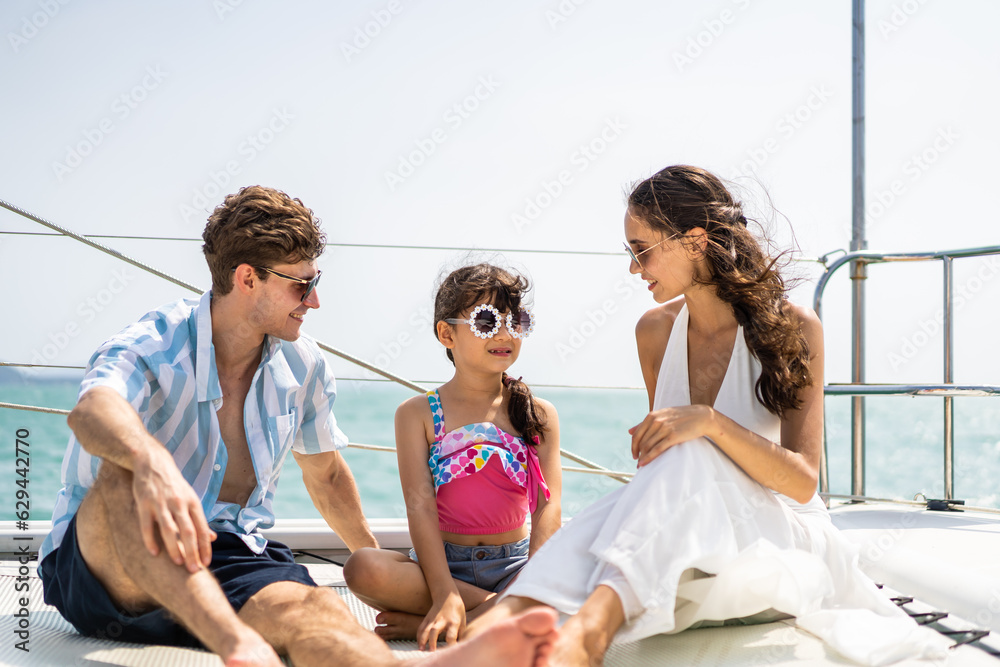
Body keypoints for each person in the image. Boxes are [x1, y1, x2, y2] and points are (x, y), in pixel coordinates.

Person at [37, 187, 558, 667]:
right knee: (125, 474)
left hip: (228, 559)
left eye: (316, 283)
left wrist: (380, 564)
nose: (314, 301)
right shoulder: (151, 344)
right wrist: (151, 463)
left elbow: (326, 477)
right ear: (247, 279)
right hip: (103, 569)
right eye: (302, 285)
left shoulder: (302, 365)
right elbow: (92, 412)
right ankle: (236, 643)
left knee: (318, 613)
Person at [466, 166, 945, 666]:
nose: (634, 268)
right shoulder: (653, 333)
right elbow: (661, 475)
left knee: (692, 443)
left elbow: (803, 483)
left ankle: (573, 630)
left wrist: (709, 423)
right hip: (693, 551)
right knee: (641, 484)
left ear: (694, 241)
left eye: (642, 250)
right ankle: (497, 625)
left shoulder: (794, 328)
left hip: (781, 545)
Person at [345, 263, 563, 651]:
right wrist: (444, 590)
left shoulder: (537, 413)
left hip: (516, 567)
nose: (504, 334)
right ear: (447, 334)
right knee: (363, 568)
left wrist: (530, 577)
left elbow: (549, 507)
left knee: (593, 576)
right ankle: (498, 612)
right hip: (441, 567)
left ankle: (460, 621)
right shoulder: (417, 414)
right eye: (486, 320)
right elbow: (420, 508)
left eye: (517, 322)